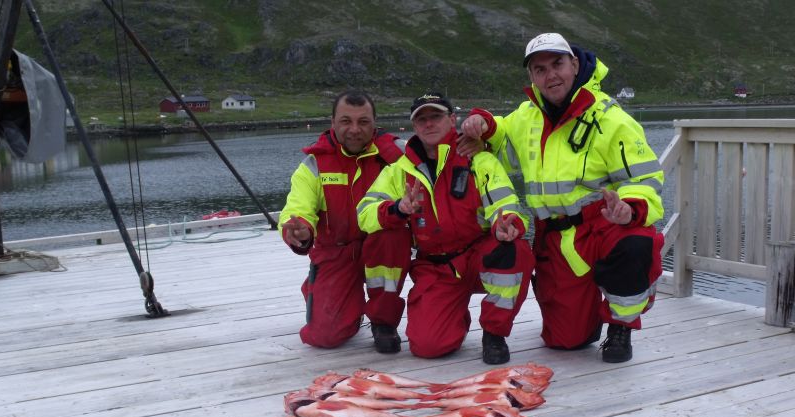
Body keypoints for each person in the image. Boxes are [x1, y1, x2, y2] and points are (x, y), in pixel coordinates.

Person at [460, 33, 665, 363]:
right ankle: (588, 310)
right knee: (566, 340)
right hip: (554, 236)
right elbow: (500, 137)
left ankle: (620, 326)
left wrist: (630, 209)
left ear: (574, 63)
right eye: (539, 69)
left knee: (636, 242)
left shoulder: (611, 118)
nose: (550, 75)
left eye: (557, 64)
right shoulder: (526, 116)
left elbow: (644, 179)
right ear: (532, 77)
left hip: (603, 225)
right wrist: (482, 125)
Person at [357, 92, 534, 364]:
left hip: (477, 256)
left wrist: (505, 224)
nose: (429, 124)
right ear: (414, 126)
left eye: (436, 116)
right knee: (428, 346)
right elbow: (364, 214)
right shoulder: (397, 170)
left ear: (452, 120)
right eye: (422, 119)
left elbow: (505, 202)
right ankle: (451, 315)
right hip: (437, 267)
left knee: (515, 249)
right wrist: (398, 209)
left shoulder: (480, 159)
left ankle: (494, 333)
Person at [279, 90, 410, 352]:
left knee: (391, 236)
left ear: (375, 123)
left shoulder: (399, 154)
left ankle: (382, 321)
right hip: (338, 254)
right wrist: (299, 229)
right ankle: (325, 292)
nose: (354, 129)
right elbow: (297, 207)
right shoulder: (314, 164)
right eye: (346, 121)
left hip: (382, 246)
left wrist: (477, 140)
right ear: (332, 123)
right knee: (325, 336)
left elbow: (440, 153)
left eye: (363, 122)